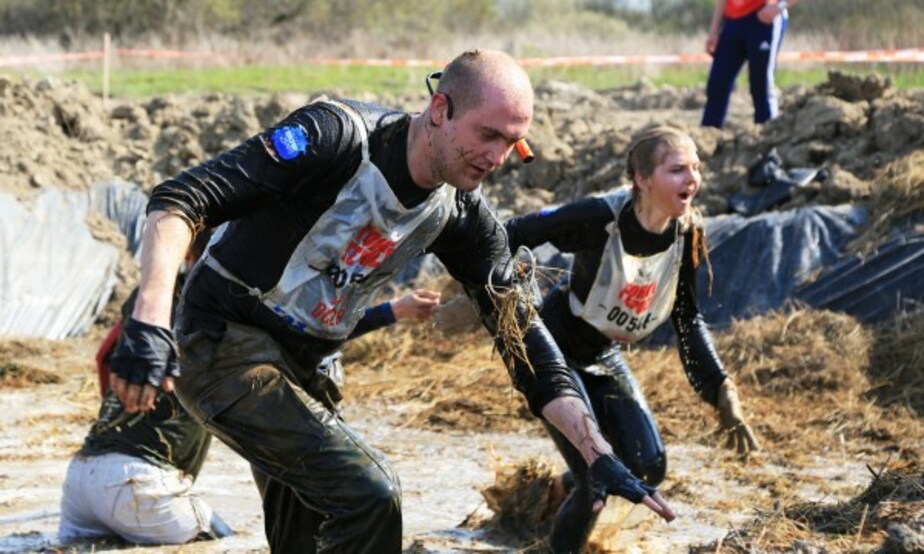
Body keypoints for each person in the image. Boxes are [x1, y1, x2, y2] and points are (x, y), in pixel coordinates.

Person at [107, 49, 675, 552]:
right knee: (370, 493)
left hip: (309, 365)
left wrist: (594, 453)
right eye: (487, 135)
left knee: (309, 535)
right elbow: (181, 198)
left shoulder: (463, 216)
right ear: (440, 110)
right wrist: (149, 322)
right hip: (225, 339)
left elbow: (525, 339)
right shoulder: (335, 137)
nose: (498, 158)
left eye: (511, 141)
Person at [60, 229, 439, 546]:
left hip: (80, 477)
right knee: (225, 542)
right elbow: (307, 325)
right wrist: (391, 312)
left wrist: (127, 399)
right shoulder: (227, 304)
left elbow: (103, 356)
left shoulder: (150, 304)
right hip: (140, 483)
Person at [504, 125, 760, 552]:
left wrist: (721, 389)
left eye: (696, 168)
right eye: (677, 169)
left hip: (604, 353)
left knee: (647, 467)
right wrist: (501, 291)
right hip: (557, 346)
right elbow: (515, 230)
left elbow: (687, 319)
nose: (692, 179)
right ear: (642, 179)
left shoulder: (688, 232)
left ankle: (551, 493)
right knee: (596, 477)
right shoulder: (600, 216)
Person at [701, 0, 801, 128]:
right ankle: (708, 137)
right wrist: (714, 30)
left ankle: (768, 138)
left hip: (763, 19)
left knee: (761, 85)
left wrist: (779, 6)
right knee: (717, 84)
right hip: (733, 21)